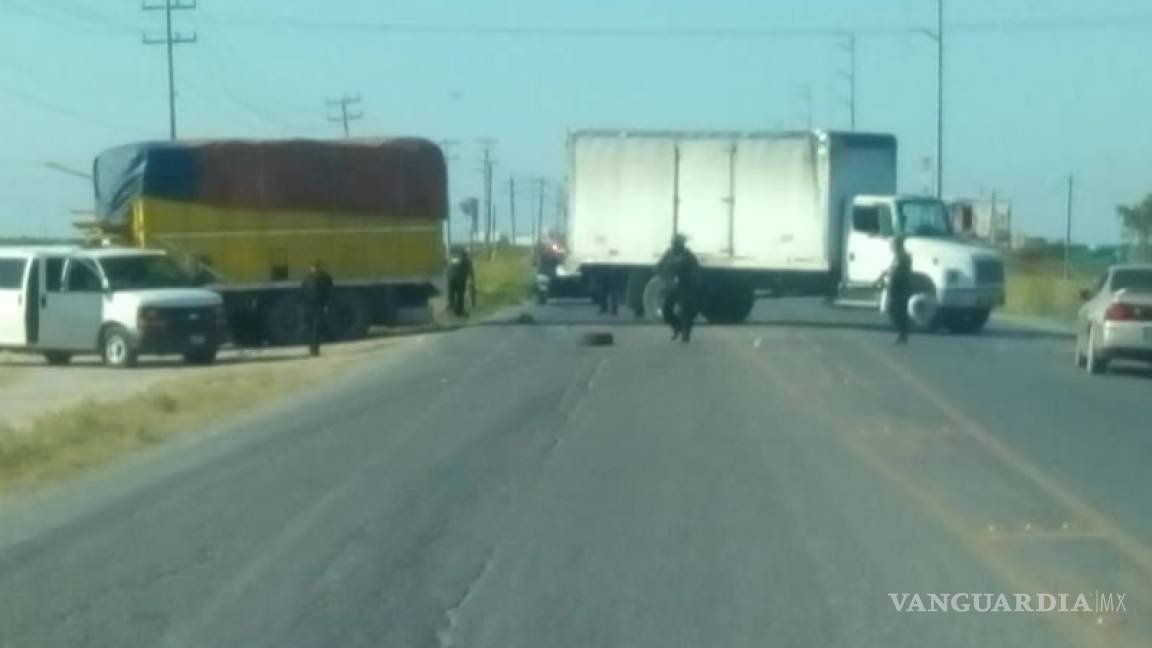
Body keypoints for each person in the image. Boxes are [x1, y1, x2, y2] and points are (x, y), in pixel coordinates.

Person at [656, 233, 701, 342]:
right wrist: (665, 276)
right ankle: (677, 327)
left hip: (685, 286)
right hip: (671, 286)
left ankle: (686, 333)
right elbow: (659, 266)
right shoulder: (668, 254)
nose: (675, 244)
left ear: (682, 243)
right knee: (666, 311)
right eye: (674, 242)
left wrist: (690, 279)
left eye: (677, 242)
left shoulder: (688, 255)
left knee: (686, 310)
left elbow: (696, 269)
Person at [300, 260, 334, 356]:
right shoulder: (307, 278)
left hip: (319, 305)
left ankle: (315, 349)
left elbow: (329, 292)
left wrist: (327, 305)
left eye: (316, 268)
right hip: (307, 306)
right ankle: (311, 348)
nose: (315, 269)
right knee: (309, 328)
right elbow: (302, 291)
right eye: (313, 267)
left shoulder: (325, 278)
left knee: (317, 328)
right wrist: (302, 305)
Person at [886, 236, 913, 345]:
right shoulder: (898, 256)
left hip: (900, 287)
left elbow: (900, 272)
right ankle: (902, 334)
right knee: (896, 310)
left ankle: (902, 334)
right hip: (895, 286)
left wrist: (891, 272)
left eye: (893, 244)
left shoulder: (903, 257)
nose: (891, 247)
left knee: (897, 310)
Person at [447, 246, 475, 318]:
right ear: (465, 254)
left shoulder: (452, 259)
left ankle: (452, 308)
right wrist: (472, 279)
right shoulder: (467, 260)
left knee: (451, 295)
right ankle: (458, 311)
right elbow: (471, 271)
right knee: (460, 296)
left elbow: (448, 268)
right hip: (460, 280)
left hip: (451, 279)